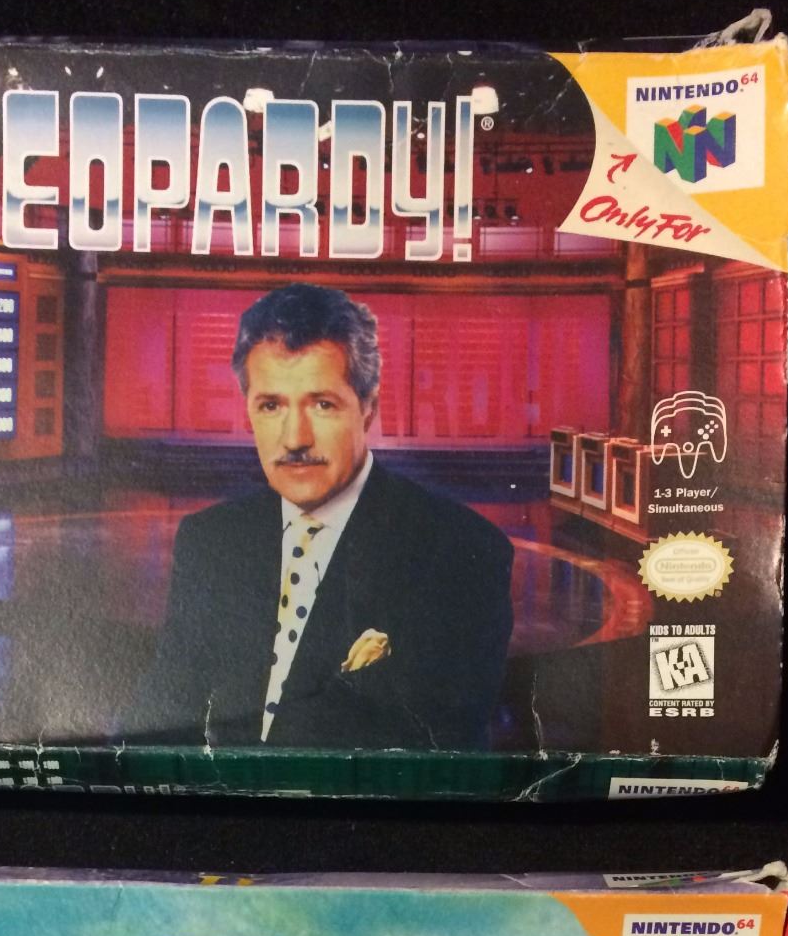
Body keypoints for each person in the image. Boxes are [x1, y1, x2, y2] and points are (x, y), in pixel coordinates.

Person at [133, 283, 513, 750]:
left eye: (322, 404)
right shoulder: (209, 538)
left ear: (368, 408)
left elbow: (447, 753)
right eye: (271, 406)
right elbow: (159, 713)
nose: (295, 437)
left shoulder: (463, 551)